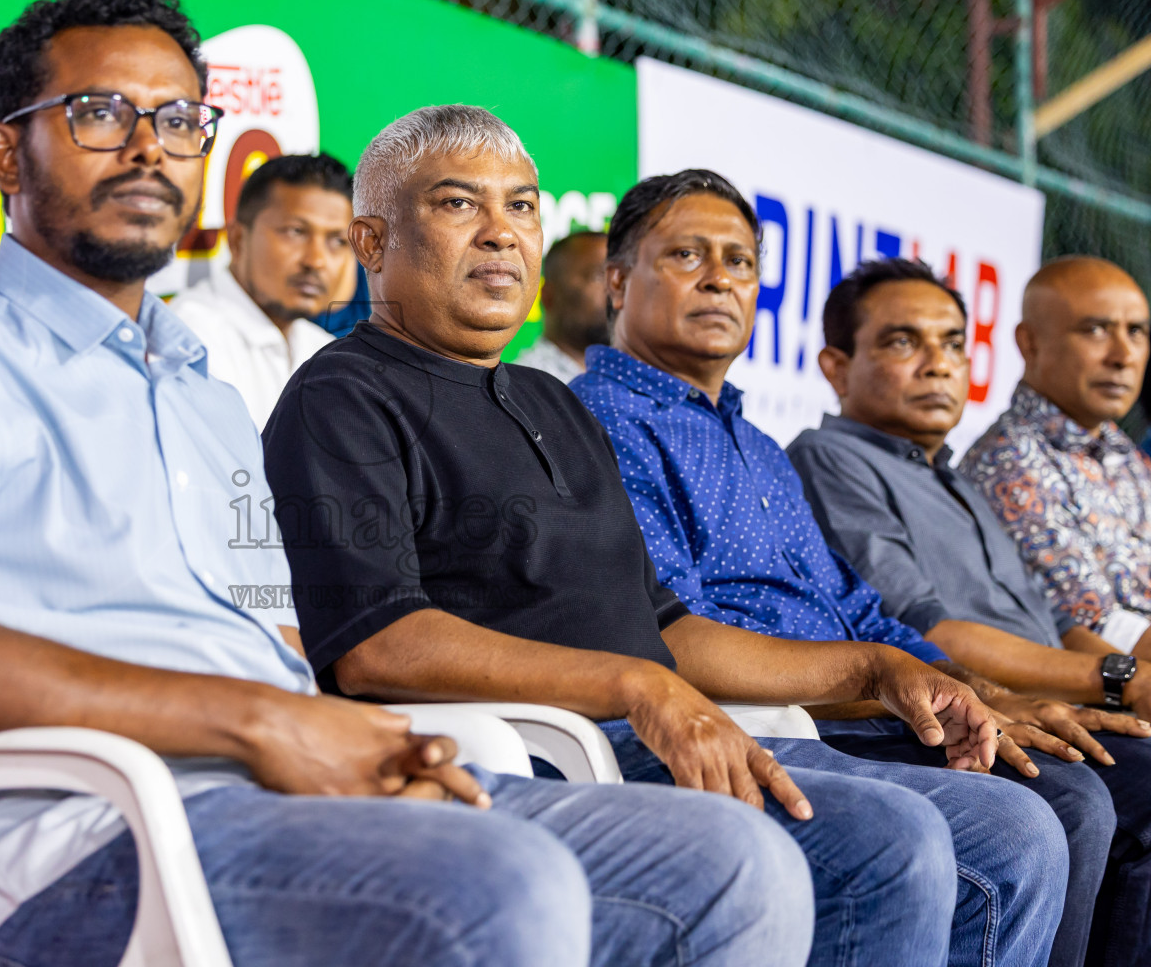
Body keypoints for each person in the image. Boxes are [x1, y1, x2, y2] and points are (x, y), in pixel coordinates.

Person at [0, 0, 820, 967]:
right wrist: (261, 722)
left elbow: (283, 635)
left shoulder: (202, 394)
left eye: (176, 121)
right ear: (4, 150)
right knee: (503, 879)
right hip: (98, 837)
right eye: (97, 114)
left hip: (292, 788)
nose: (145, 148)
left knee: (735, 862)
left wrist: (370, 743)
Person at [263, 105, 1069, 967]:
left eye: (524, 207)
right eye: (460, 205)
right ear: (373, 241)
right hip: (533, 747)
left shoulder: (554, 403)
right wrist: (641, 689)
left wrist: (877, 669)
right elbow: (376, 646)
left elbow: (672, 629)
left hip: (654, 722)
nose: (502, 234)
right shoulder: (339, 397)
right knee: (885, 837)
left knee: (1018, 829)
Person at [569, 168, 1124, 967]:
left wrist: (982, 692)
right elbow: (663, 633)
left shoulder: (754, 441)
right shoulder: (602, 418)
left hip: (858, 706)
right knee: (1048, 809)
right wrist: (887, 681)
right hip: (771, 718)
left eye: (740, 261)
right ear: (619, 282)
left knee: (1069, 782)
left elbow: (856, 606)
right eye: (687, 255)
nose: (721, 277)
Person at [789, 255, 1151, 966]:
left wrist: (1119, 676)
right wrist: (1116, 678)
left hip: (1036, 699)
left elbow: (1049, 627)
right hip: (945, 707)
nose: (938, 365)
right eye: (903, 342)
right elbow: (931, 631)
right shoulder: (830, 459)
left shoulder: (955, 480)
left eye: (953, 343)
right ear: (836, 366)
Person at [960, 257, 1151, 661]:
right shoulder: (1008, 462)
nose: (1123, 355)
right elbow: (1094, 625)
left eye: (1136, 331)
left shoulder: (1121, 453)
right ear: (1029, 342)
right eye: (1095, 329)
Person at [171, 153, 346, 426]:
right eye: (295, 232)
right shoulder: (191, 341)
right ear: (238, 239)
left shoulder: (323, 348)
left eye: (337, 241)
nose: (316, 260)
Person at [513, 230, 609, 383]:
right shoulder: (527, 385)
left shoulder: (631, 380)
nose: (616, 291)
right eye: (599, 276)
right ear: (549, 296)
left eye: (621, 277)